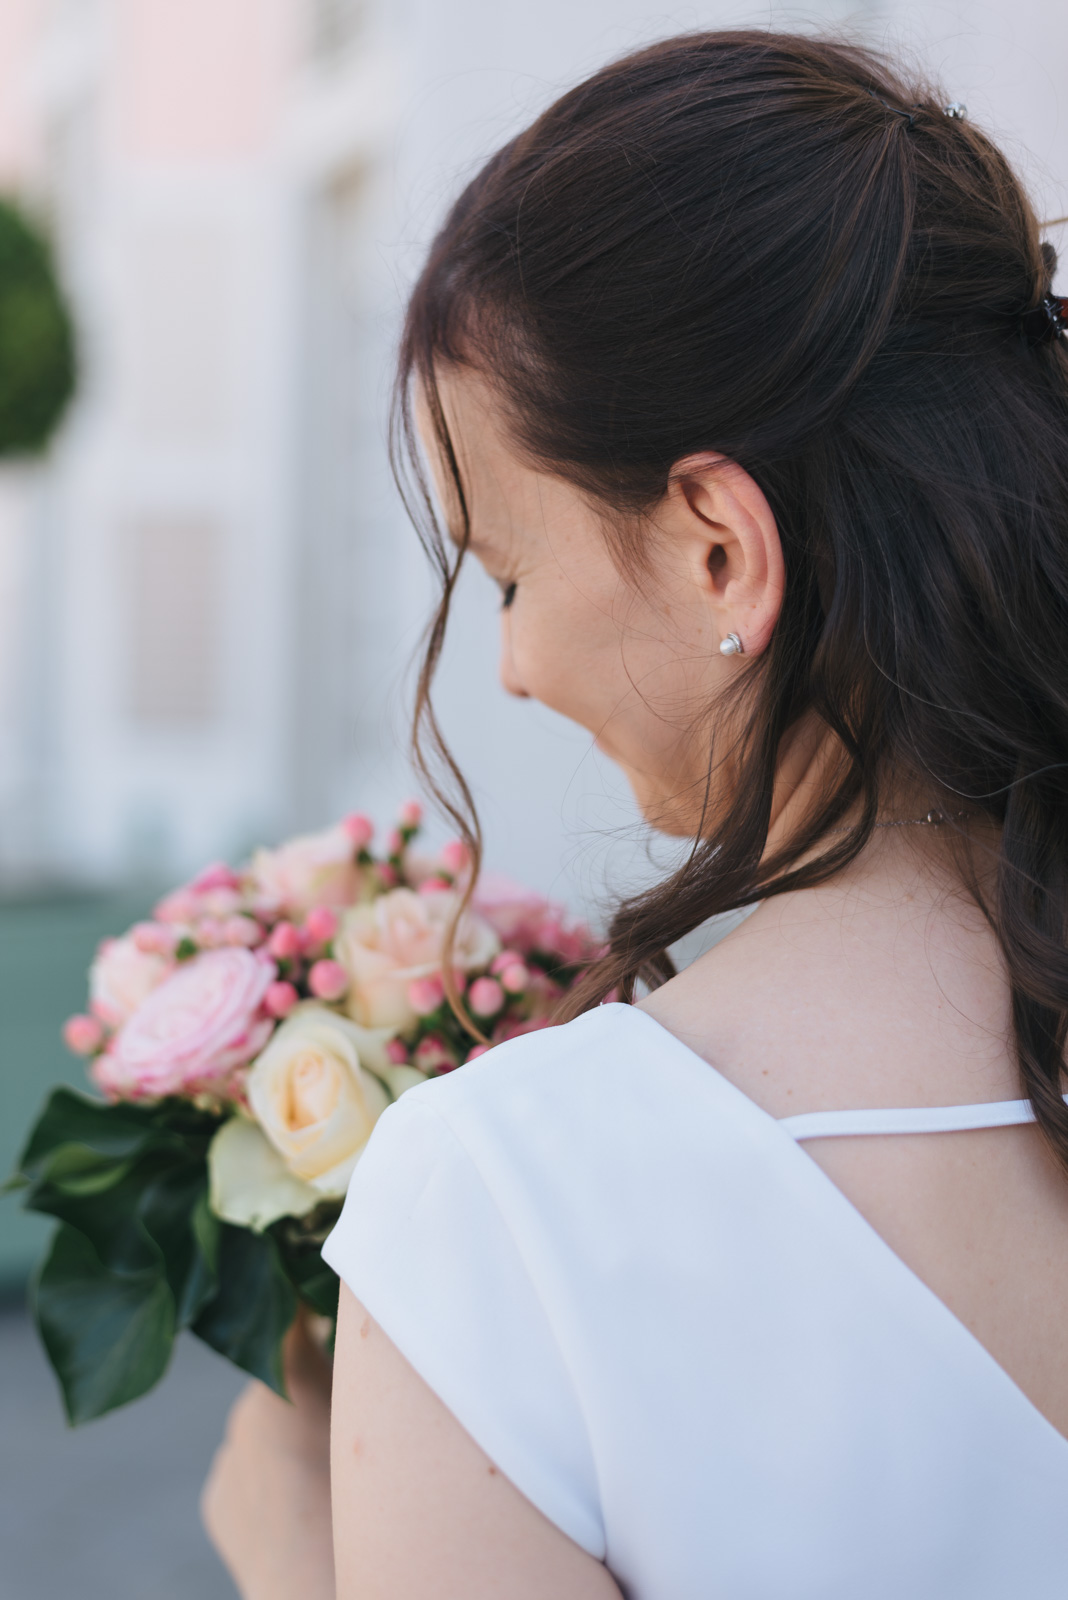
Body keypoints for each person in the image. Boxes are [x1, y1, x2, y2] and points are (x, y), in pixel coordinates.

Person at [201, 30, 1068, 1598]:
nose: (515, 668)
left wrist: (294, 1560)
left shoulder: (507, 1201)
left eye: (511, 573)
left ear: (718, 549)